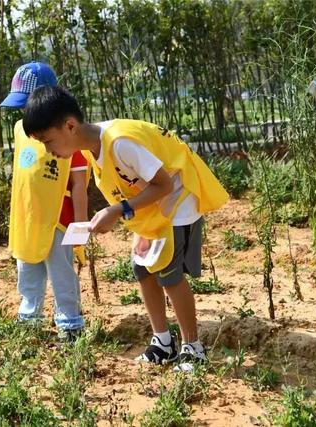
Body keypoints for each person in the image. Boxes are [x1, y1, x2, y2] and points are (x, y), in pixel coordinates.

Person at [21, 86, 229, 371]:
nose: (48, 150)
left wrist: (119, 211)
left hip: (178, 201)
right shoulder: (93, 148)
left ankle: (193, 348)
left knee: (169, 274)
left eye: (48, 141)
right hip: (153, 206)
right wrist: (116, 213)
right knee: (143, 268)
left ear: (70, 126)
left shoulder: (119, 143)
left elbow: (164, 184)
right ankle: (163, 343)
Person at [0, 63, 88, 341]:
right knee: (27, 269)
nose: (28, 115)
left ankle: (70, 322)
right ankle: (29, 319)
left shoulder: (69, 138)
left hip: (58, 219)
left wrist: (81, 226)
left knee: (62, 272)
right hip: (27, 219)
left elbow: (79, 186)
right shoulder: (19, 130)